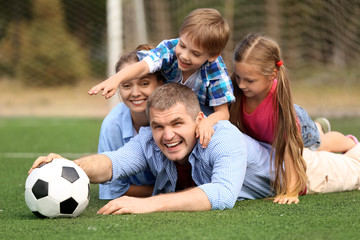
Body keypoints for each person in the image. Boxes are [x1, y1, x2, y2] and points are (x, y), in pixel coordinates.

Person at [29, 83, 360, 213]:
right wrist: (69, 168)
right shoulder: (149, 140)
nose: (167, 135)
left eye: (176, 124)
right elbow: (112, 162)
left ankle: (347, 145)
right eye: (158, 126)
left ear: (198, 119)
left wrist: (150, 205)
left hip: (303, 173)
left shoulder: (222, 137)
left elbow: (222, 194)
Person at [228, 32, 358, 205]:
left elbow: (289, 150)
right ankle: (319, 125)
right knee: (317, 140)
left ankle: (348, 142)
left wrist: (291, 190)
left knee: (320, 144)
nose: (242, 84)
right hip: (268, 136)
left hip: (300, 126)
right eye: (238, 77)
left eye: (250, 80)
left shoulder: (278, 109)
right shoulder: (238, 90)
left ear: (272, 75)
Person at [88, 8, 234, 148]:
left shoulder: (216, 71)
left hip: (199, 116)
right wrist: (116, 79)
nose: (184, 55)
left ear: (212, 56)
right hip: (169, 112)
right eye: (182, 45)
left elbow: (223, 113)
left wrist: (207, 123)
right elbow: (144, 66)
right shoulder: (170, 48)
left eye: (195, 54)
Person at [98, 44, 165, 199]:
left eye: (144, 83)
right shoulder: (112, 125)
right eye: (127, 85)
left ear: (160, 83)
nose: (135, 93)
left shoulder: (176, 117)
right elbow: (112, 190)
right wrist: (170, 190)